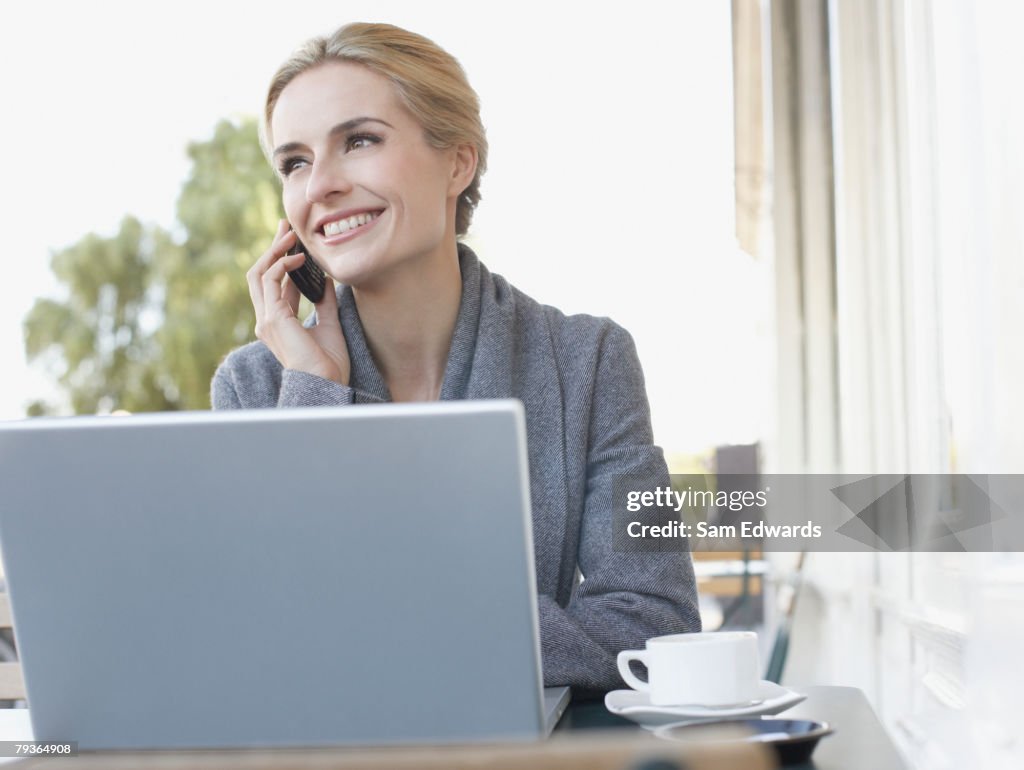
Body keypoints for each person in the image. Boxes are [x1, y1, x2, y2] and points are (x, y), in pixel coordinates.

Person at [211, 21, 700, 695]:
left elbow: (655, 626)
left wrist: (392, 620)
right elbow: (267, 641)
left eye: (359, 141)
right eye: (294, 162)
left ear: (458, 162)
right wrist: (316, 396)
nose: (318, 186)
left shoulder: (588, 362)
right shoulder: (257, 387)